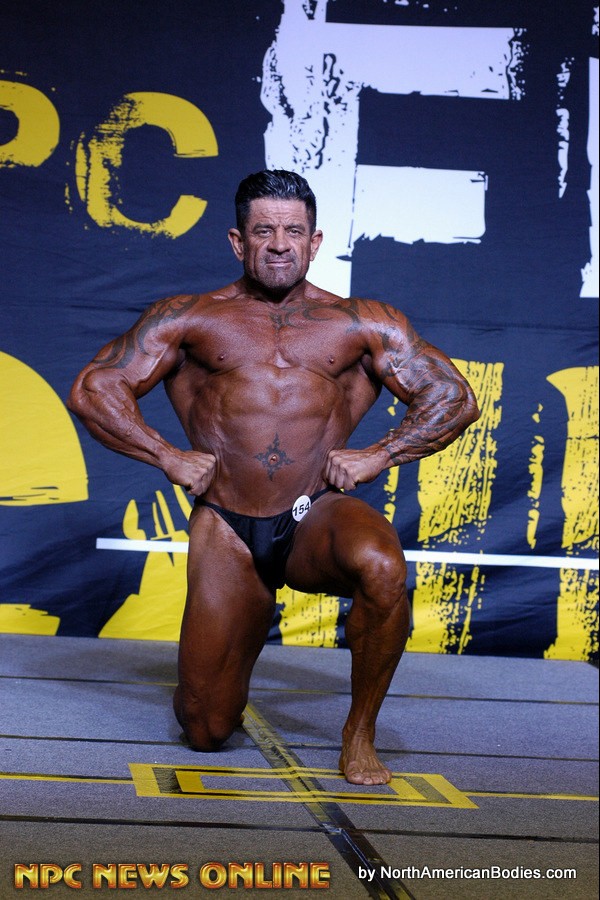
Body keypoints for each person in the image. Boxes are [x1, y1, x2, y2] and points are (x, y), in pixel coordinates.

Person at [68, 169, 479, 786]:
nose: (280, 244)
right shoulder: (190, 318)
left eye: (293, 231)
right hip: (227, 526)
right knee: (206, 728)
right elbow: (95, 388)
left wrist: (381, 453)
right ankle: (240, 627)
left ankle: (359, 733)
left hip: (314, 513)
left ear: (315, 241)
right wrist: (165, 454)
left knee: (383, 567)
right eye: (264, 231)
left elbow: (454, 397)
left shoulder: (362, 322)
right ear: (239, 241)